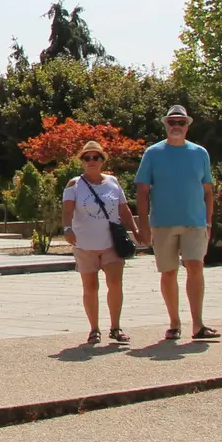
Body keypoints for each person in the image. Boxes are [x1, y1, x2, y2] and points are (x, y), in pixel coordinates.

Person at [134, 105, 219, 341]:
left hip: (195, 223)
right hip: (162, 223)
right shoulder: (153, 153)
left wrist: (209, 223)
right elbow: (142, 190)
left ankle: (198, 325)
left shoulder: (200, 153)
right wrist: (143, 225)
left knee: (195, 267)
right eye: (172, 122)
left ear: (188, 125)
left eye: (181, 122)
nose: (176, 126)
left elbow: (208, 191)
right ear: (165, 125)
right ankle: (174, 323)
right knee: (168, 272)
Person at [61, 140, 140, 345]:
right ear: (82, 161)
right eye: (87, 157)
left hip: (111, 243)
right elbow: (67, 211)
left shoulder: (112, 182)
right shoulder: (74, 184)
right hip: (85, 244)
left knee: (115, 284)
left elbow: (124, 210)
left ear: (102, 160)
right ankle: (94, 329)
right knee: (91, 287)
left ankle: (115, 327)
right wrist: (67, 229)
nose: (92, 161)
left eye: (96, 157)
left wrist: (136, 230)